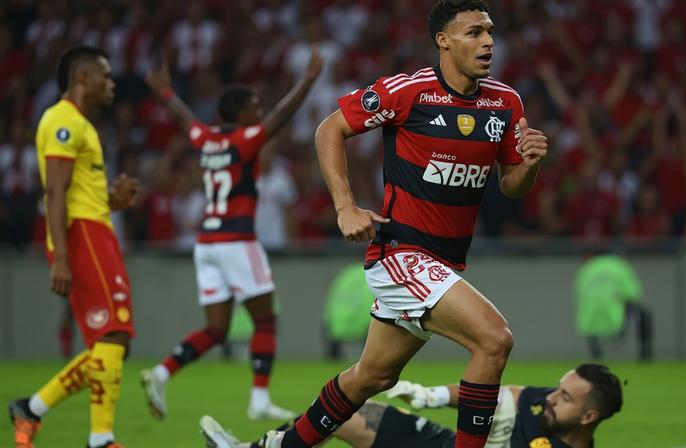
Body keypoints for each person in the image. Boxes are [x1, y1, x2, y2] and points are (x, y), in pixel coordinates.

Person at [208, 1, 549, 446]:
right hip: (401, 253)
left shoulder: (506, 102)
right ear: (443, 41)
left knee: (373, 376)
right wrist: (345, 207)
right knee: (493, 339)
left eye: (489, 32)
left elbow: (511, 186)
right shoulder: (409, 92)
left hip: (443, 264)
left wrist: (530, 165)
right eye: (473, 32)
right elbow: (329, 129)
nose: (486, 41)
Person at [139, 48, 323, 421]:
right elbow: (281, 116)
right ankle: (258, 401)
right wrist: (308, 80)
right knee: (266, 320)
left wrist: (166, 93)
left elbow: (184, 118)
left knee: (217, 329)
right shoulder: (244, 140)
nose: (259, 112)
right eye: (254, 107)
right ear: (240, 114)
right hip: (237, 241)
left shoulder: (205, 140)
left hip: (205, 243)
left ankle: (160, 373)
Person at [9, 45, 140, 448]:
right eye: (106, 75)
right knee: (113, 337)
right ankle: (100, 438)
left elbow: (79, 191)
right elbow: (55, 189)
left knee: (113, 343)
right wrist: (61, 257)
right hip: (81, 237)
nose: (112, 83)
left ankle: (32, 408)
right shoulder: (62, 121)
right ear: (83, 78)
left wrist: (113, 201)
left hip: (94, 229)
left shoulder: (81, 125)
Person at [200, 364, 623, 448]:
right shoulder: (539, 407)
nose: (550, 397)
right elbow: (502, 394)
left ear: (588, 418)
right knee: (344, 414)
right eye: (557, 388)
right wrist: (431, 396)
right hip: (444, 443)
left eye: (564, 397)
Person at [575, 251, 653, 361]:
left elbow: (580, 294)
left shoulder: (587, 269)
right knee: (645, 315)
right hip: (615, 313)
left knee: (590, 318)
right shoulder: (620, 265)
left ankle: (596, 354)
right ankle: (645, 354)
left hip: (591, 317)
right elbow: (633, 294)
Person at [323, 262, 375, 360]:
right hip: (364, 319)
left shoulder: (347, 276)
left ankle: (333, 359)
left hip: (338, 319)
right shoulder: (367, 276)